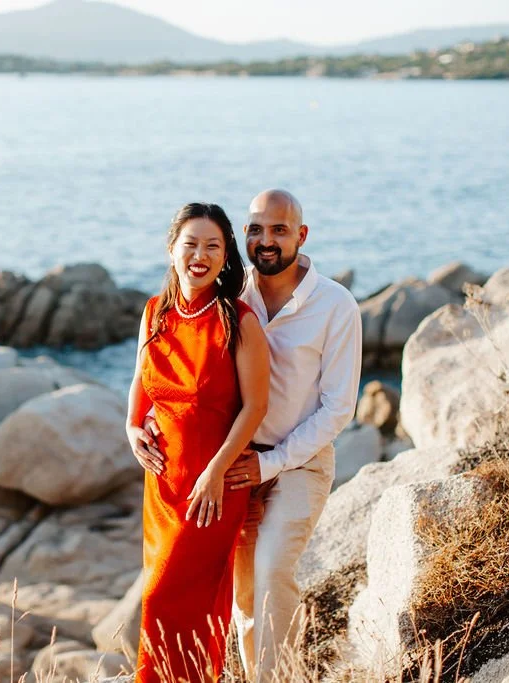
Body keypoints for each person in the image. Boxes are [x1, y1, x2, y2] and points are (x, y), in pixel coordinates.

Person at [136, 190, 362, 681]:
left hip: (299, 462)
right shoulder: (234, 296)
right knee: (242, 600)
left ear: (301, 236)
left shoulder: (335, 305)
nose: (266, 240)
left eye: (279, 230)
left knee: (272, 573)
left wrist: (270, 462)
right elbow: (193, 368)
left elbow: (339, 408)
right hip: (237, 464)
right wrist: (151, 422)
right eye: (256, 229)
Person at [126, 202, 271, 683]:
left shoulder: (238, 320)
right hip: (162, 487)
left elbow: (255, 407)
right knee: (160, 599)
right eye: (190, 244)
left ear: (226, 254)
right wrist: (131, 426)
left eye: (213, 246)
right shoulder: (155, 312)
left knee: (175, 599)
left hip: (213, 488)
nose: (200, 255)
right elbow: (142, 381)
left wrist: (213, 473)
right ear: (172, 250)